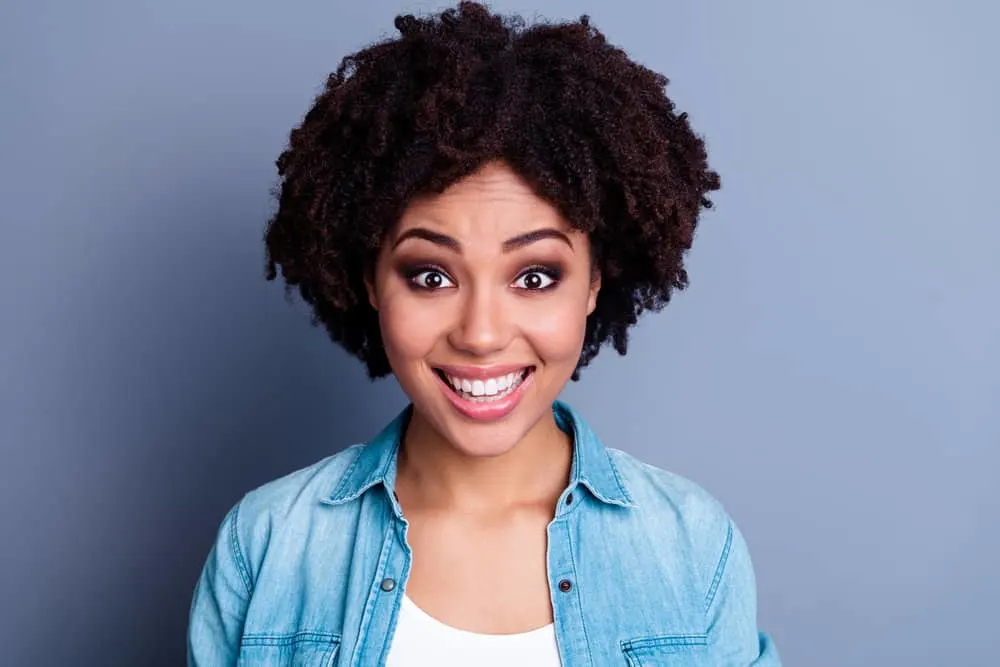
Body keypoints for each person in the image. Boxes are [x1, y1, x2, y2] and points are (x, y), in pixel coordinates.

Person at [187, 2, 780, 665]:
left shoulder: (691, 545)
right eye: (431, 276)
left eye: (534, 276)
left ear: (593, 283)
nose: (481, 333)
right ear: (368, 281)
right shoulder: (268, 543)